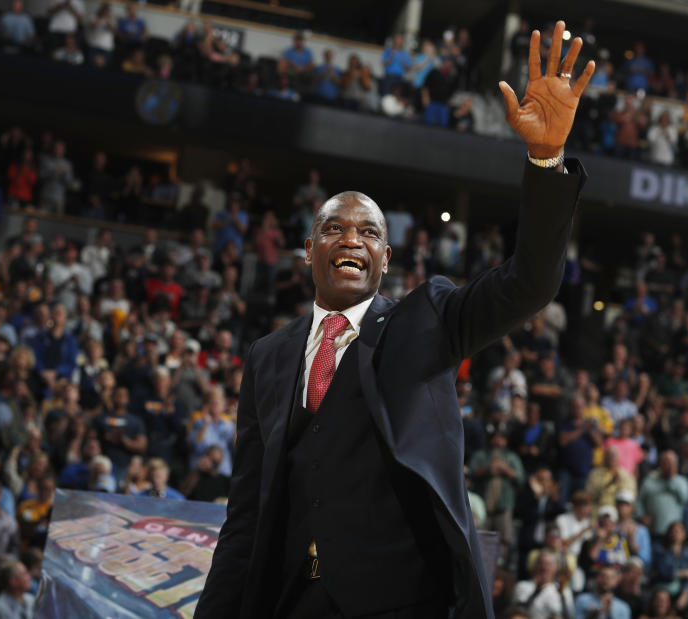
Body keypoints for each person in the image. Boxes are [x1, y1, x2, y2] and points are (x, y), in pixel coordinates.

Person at [196, 21, 595, 619]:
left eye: (368, 232)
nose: (350, 238)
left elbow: (528, 284)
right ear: (308, 250)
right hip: (289, 601)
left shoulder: (426, 318)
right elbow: (248, 512)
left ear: (386, 258)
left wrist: (545, 160)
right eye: (333, 228)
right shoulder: (268, 356)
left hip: (399, 603)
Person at [512, 551, 574, 619]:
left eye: (549, 564)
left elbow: (570, 616)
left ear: (556, 567)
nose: (544, 567)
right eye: (541, 563)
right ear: (535, 566)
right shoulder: (523, 586)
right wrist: (535, 593)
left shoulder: (564, 592)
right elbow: (516, 614)